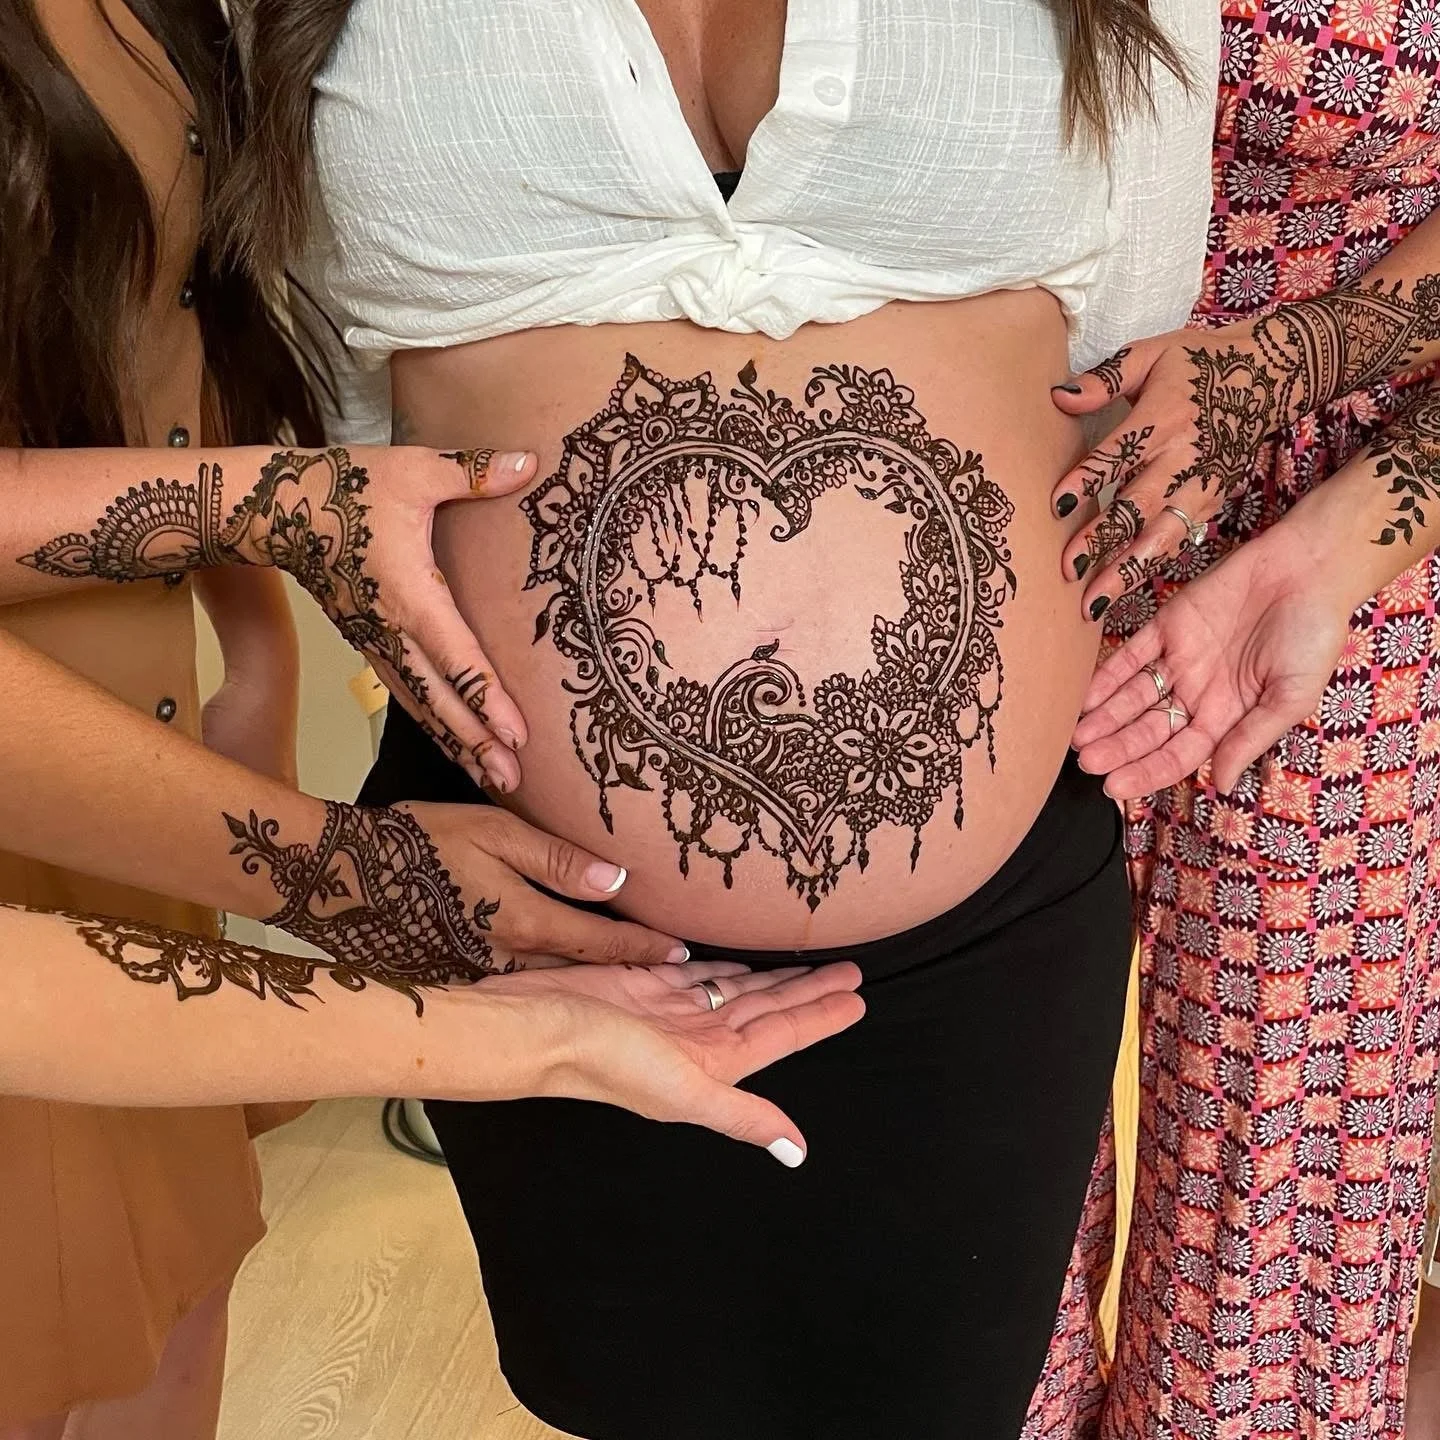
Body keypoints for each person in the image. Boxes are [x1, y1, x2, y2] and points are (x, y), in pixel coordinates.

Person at [216, 2, 1219, 1436]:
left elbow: (1129, 336)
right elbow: (267, 337)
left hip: (985, 935)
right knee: (626, 1397)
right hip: (537, 899)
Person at [0, 4, 861, 1436]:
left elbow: (150, 328)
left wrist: (257, 642)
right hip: (83, 828)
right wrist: (322, 861)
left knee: (153, 1322)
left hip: (135, 818)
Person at [1022, 4, 1440, 1435]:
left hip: (1344, 567)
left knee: (1276, 1235)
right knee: (969, 1218)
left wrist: (1284, 387)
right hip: (982, 550)